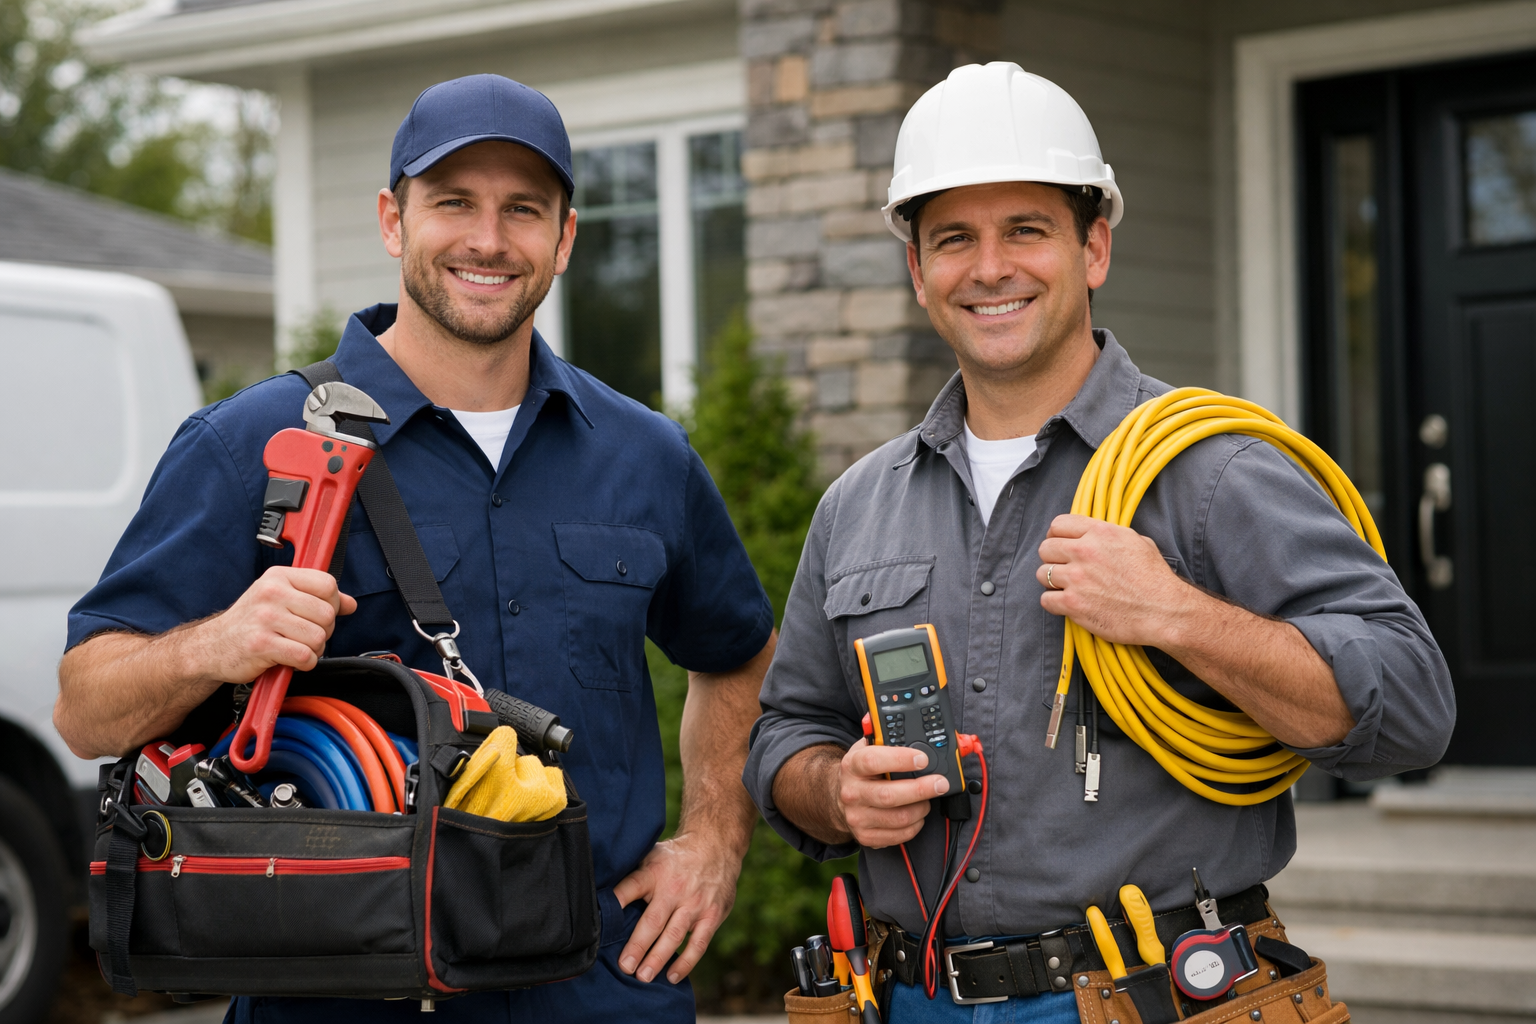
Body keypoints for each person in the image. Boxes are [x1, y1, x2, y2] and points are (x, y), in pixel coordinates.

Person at [56, 74, 774, 1024]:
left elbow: (738, 656)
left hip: (604, 991)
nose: (487, 239)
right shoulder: (250, 446)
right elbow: (84, 710)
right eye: (453, 204)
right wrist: (218, 643)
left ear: (564, 238)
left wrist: (713, 840)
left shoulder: (647, 456)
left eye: (523, 210)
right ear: (394, 221)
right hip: (339, 994)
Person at [744, 62, 1453, 1022]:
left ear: (1095, 248)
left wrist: (1176, 615)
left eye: (1027, 230)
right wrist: (835, 792)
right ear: (917, 271)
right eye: (954, 238)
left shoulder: (1214, 471)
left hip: (1151, 993)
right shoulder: (859, 505)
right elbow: (786, 733)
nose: (989, 267)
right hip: (909, 996)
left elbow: (1411, 707)